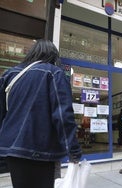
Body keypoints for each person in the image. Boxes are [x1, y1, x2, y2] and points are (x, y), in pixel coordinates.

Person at [0, 39, 82, 188]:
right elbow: (63, 115)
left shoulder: (9, 75)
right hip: (42, 151)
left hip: (12, 150)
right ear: (53, 56)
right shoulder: (54, 73)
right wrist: (74, 151)